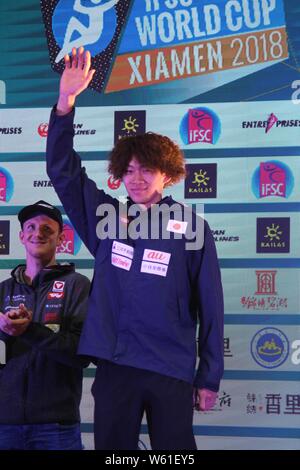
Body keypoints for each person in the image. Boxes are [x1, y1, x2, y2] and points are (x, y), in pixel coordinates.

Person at [46, 47, 224, 450]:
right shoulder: (105, 218)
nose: (137, 178)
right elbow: (63, 171)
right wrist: (65, 104)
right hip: (116, 364)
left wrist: (209, 375)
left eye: (146, 169)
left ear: (168, 173)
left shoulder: (193, 228)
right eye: (128, 171)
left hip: (171, 368)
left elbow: (211, 306)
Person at [0, 200, 90, 450]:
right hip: (4, 425)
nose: (37, 233)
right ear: (21, 236)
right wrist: (4, 332)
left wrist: (29, 330)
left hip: (57, 427)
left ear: (61, 238)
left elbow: (81, 353)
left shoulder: (77, 285)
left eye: (47, 229)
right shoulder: (3, 291)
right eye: (30, 227)